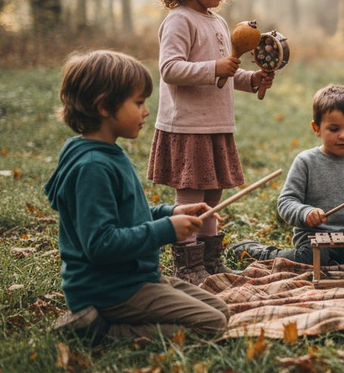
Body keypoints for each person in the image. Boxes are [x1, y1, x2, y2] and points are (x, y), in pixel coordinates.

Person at [44, 50, 230, 342]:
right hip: (110, 289)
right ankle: (99, 330)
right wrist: (166, 231)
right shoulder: (92, 167)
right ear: (104, 106)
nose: (146, 111)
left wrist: (171, 213)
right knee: (212, 324)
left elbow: (129, 215)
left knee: (221, 310)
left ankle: (108, 322)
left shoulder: (108, 153)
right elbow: (101, 244)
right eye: (139, 103)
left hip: (136, 277)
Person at [147, 0, 274, 283]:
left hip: (217, 125)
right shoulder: (178, 20)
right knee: (192, 200)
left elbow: (226, 73)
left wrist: (252, 80)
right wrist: (214, 68)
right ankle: (188, 267)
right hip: (187, 127)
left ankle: (210, 263)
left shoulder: (219, 23)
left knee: (213, 201)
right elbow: (170, 70)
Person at [228, 85, 344, 265]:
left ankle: (335, 265)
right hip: (314, 239)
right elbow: (285, 202)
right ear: (316, 128)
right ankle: (263, 254)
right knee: (314, 258)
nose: (343, 136)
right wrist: (306, 213)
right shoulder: (306, 161)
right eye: (334, 129)